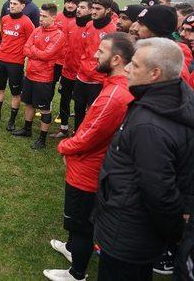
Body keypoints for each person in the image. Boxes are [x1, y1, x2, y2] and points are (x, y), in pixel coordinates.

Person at [93, 38, 194, 280]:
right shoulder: (173, 98)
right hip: (135, 228)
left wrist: (175, 232)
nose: (126, 68)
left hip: (128, 230)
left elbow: (159, 191)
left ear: (155, 73)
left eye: (135, 65)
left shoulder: (149, 125)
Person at [44, 32, 135, 281]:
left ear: (116, 59)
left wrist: (65, 147)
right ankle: (73, 249)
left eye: (101, 51)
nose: (95, 54)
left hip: (87, 172)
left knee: (81, 222)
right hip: (86, 165)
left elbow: (90, 135)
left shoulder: (114, 95)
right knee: (78, 222)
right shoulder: (115, 87)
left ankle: (77, 273)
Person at [12, 3, 65, 148]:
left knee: (44, 108)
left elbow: (47, 54)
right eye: (40, 15)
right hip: (30, 74)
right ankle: (27, 129)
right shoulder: (36, 30)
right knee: (28, 103)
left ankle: (42, 139)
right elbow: (25, 49)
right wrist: (37, 52)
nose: (41, 18)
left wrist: (34, 51)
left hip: (44, 78)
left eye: (44, 16)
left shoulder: (59, 35)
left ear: (53, 17)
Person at [0, 0, 35, 130]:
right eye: (11, 3)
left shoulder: (27, 23)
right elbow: (3, 37)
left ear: (22, 6)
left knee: (15, 93)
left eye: (15, 4)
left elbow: (31, 42)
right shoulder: (5, 19)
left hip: (16, 63)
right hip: (1, 60)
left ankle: (11, 121)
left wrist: (26, 60)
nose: (11, 6)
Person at [50, 0, 93, 139]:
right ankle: (63, 128)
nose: (79, 9)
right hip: (67, 70)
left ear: (91, 10)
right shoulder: (72, 24)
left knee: (80, 105)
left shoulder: (92, 28)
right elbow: (65, 46)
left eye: (82, 7)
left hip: (83, 74)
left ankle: (78, 133)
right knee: (64, 99)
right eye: (79, 7)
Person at [73, 0, 116, 129]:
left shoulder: (113, 30)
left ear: (107, 10)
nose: (93, 11)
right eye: (93, 8)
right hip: (82, 75)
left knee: (93, 112)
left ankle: (87, 138)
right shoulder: (89, 24)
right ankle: (76, 132)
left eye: (98, 9)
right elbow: (84, 49)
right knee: (78, 108)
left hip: (98, 79)